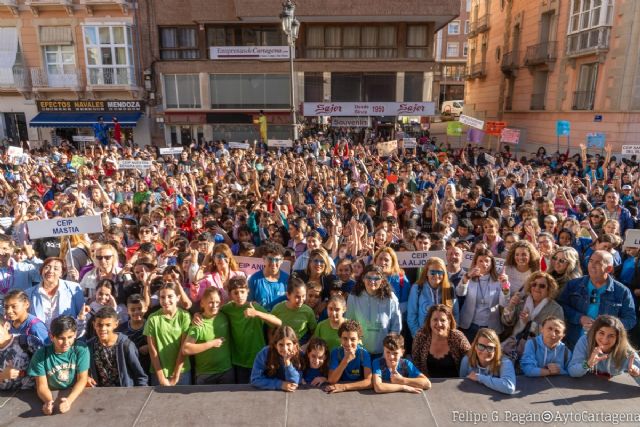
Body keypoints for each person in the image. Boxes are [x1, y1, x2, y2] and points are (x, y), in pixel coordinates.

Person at [559, 250, 636, 349]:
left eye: (598, 262)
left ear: (609, 269)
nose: (592, 265)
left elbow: (630, 320)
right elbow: (561, 306)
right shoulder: (574, 285)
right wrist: (579, 318)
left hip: (604, 348)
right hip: (573, 343)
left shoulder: (622, 291)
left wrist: (607, 326)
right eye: (591, 261)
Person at [221, 276, 282, 384]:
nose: (239, 296)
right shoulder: (227, 308)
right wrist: (198, 314)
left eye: (242, 292)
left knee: (259, 390)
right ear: (230, 294)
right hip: (239, 360)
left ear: (247, 292)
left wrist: (257, 313)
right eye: (235, 293)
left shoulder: (254, 307)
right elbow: (212, 313)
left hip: (258, 358)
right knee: (242, 393)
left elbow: (278, 322)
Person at [27, 316, 90, 415]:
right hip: (52, 391)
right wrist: (48, 401)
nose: (66, 342)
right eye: (61, 338)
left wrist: (69, 400)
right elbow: (42, 385)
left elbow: (82, 379)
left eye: (70, 337)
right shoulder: (40, 355)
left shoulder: (81, 349)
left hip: (75, 393)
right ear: (51, 336)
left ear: (75, 335)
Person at [501, 272, 564, 361]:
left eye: (542, 286)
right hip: (513, 345)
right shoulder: (522, 301)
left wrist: (530, 324)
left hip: (539, 351)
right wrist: (510, 306)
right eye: (534, 284)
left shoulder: (556, 309)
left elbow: (556, 335)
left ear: (549, 289)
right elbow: (506, 322)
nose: (537, 288)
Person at [345, 265, 402, 357]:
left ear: (382, 280)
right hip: (360, 352)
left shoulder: (391, 298)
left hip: (384, 353)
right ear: (363, 278)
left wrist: (388, 351)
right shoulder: (353, 297)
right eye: (369, 277)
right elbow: (350, 324)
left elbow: (396, 327)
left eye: (376, 278)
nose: (372, 281)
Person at [457, 248, 510, 342]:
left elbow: (504, 303)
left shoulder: (499, 280)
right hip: (469, 326)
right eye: (480, 261)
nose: (484, 264)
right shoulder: (468, 276)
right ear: (475, 262)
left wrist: (505, 286)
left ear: (492, 263)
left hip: (490, 327)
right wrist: (467, 277)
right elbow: (460, 293)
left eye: (487, 261)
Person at [182, 287, 233, 384]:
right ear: (202, 303)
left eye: (217, 302)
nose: (214, 305)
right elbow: (186, 349)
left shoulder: (225, 315)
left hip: (226, 371)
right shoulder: (198, 323)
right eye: (210, 302)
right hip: (205, 375)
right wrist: (211, 344)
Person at [144, 282, 191, 386]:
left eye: (170, 296)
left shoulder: (185, 316)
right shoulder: (152, 318)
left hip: (182, 372)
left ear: (177, 297)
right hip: (158, 372)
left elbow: (184, 348)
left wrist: (176, 376)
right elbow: (152, 350)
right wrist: (161, 377)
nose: (166, 301)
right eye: (162, 297)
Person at [568, 315, 640, 383]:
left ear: (618, 338)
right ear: (594, 332)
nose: (605, 340)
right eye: (601, 333)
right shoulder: (585, 341)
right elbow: (572, 371)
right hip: (586, 385)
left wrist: (637, 375)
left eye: (611, 336)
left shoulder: (627, 352)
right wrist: (588, 364)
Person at [86, 307, 148, 387]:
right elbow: (82, 371)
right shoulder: (89, 346)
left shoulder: (126, 345)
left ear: (116, 324)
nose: (103, 329)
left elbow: (140, 376)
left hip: (125, 394)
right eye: (99, 325)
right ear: (94, 325)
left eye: (108, 325)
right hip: (99, 394)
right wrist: (86, 377)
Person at [412, 304, 471, 378]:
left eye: (443, 320)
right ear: (429, 321)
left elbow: (470, 357)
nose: (439, 324)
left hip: (454, 383)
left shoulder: (457, 336)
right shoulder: (421, 336)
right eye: (435, 320)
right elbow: (416, 362)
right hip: (427, 383)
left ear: (449, 321)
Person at [407, 257, 459, 337]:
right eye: (433, 272)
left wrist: (450, 335)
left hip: (444, 337)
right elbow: (411, 315)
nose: (436, 275)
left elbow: (455, 314)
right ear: (426, 273)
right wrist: (417, 335)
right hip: (423, 336)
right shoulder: (417, 288)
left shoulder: (449, 288)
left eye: (440, 272)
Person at [26, 257, 85, 328]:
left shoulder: (74, 288)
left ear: (61, 273)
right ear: (41, 271)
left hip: (67, 337)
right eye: (47, 267)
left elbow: (81, 316)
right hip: (39, 336)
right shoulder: (29, 293)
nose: (50, 271)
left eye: (56, 269)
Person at [459, 328, 516, 395]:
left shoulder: (505, 362)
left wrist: (479, 377)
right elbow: (461, 384)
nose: (485, 352)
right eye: (481, 346)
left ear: (496, 349)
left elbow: (509, 387)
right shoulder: (466, 361)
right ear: (475, 346)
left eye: (490, 348)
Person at [250, 325, 303, 392]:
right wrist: (280, 384)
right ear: (275, 345)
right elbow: (255, 379)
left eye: (288, 344)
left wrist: (287, 362)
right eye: (281, 344)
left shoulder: (300, 355)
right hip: (269, 393)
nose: (285, 349)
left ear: (294, 344)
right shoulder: (264, 354)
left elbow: (294, 382)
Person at [325, 320, 372, 393]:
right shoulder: (336, 353)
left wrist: (344, 387)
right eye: (345, 338)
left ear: (359, 340)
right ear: (340, 338)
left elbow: (369, 382)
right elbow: (331, 380)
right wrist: (346, 360)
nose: (348, 343)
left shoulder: (364, 354)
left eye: (353, 339)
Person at [0, 316, 42, 390]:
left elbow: (48, 366)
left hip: (31, 395)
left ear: (6, 326)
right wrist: (3, 375)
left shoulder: (28, 341)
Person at [271, 276, 317, 342]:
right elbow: (270, 330)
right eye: (297, 297)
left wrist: (306, 346)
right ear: (288, 295)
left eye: (303, 296)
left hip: (301, 345)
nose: (301, 300)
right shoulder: (277, 309)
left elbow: (314, 332)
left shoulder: (308, 311)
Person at [248, 243, 289, 311]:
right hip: (260, 320)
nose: (273, 263)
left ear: (282, 260)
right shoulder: (254, 279)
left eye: (277, 260)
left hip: (280, 320)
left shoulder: (287, 279)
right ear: (264, 259)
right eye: (270, 259)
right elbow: (249, 303)